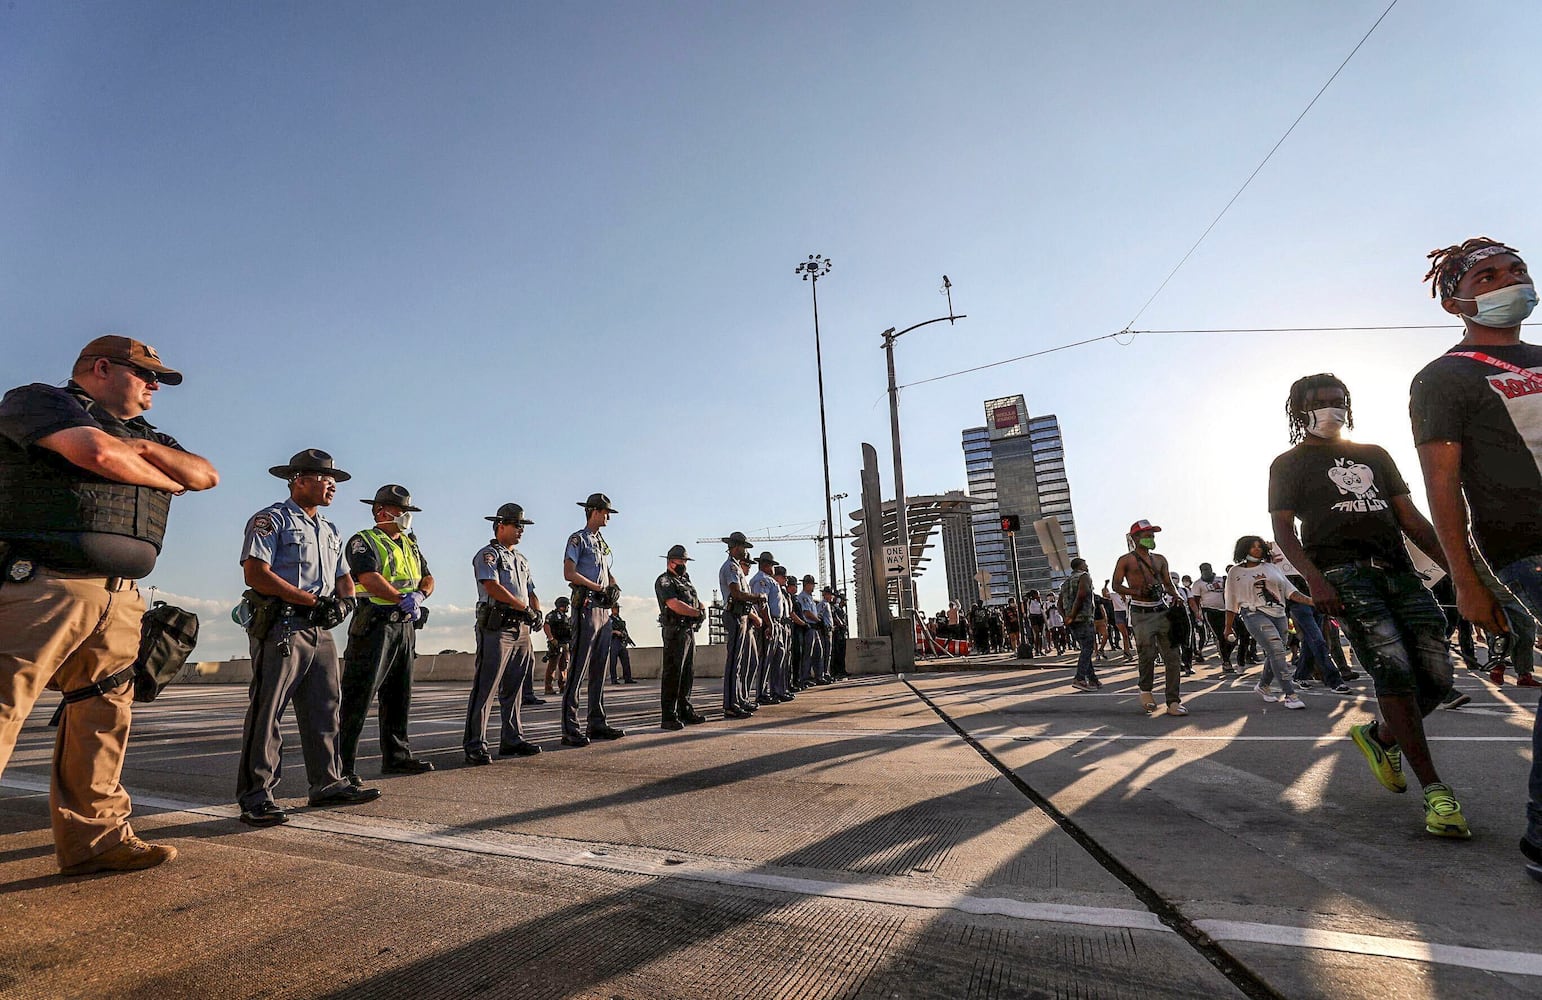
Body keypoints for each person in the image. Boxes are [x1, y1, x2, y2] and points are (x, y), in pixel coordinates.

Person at [0, 336, 217, 874]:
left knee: (102, 718)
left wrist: (139, 453)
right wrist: (147, 466)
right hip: (43, 586)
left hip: (119, 599)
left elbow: (204, 475)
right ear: (101, 368)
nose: (154, 387)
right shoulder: (40, 402)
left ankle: (94, 840)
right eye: (145, 376)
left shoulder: (147, 435)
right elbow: (93, 453)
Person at [1269, 372, 1468, 839]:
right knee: (1393, 672)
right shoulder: (1288, 463)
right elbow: (1283, 531)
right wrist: (1314, 580)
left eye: (1338, 400)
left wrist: (1461, 571)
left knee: (1437, 679)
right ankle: (1436, 791)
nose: (1331, 408)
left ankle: (1380, 737)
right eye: (1319, 402)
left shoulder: (1373, 455)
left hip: (1399, 572)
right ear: (1299, 410)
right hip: (1343, 576)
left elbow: (1411, 519)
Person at [1410, 238, 1542, 865]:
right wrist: (1464, 579)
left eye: (1515, 270)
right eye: (1486, 276)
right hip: (1527, 543)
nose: (1506, 282)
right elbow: (1442, 488)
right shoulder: (1445, 377)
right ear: (1454, 301)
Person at [237, 450, 380, 827]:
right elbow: (256, 573)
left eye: (333, 479)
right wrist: (312, 601)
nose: (331, 484)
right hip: (284, 625)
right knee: (268, 712)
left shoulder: (330, 530)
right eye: (323, 477)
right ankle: (257, 794)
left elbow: (343, 577)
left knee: (325, 709)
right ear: (298, 479)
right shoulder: (272, 520)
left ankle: (327, 783)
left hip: (321, 629)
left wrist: (344, 605)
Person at [339, 484, 436, 784]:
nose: (406, 516)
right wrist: (399, 598)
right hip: (375, 623)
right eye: (401, 511)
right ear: (381, 511)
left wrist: (419, 596)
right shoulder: (363, 541)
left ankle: (397, 756)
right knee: (358, 697)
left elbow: (428, 576)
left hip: (405, 624)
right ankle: (342, 767)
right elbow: (368, 577)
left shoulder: (410, 543)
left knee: (398, 695)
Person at [464, 503, 543, 765]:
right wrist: (524, 608)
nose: (521, 530)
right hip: (497, 627)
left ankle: (512, 739)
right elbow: (492, 586)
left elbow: (531, 590)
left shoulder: (521, 559)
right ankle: (475, 743)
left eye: (522, 526)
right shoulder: (488, 555)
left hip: (521, 628)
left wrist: (536, 610)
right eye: (516, 525)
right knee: (486, 687)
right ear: (500, 526)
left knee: (515, 687)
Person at [561, 493, 625, 746]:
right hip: (586, 605)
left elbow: (606, 572)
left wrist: (614, 586)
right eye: (606, 512)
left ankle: (597, 722)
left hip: (603, 609)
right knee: (578, 668)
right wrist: (599, 589)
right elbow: (569, 573)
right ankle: (570, 727)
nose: (609, 516)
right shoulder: (578, 539)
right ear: (595, 511)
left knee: (599, 668)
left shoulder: (600, 542)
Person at [1111, 520, 1187, 716]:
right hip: (1140, 613)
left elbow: (1168, 583)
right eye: (1146, 535)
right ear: (1135, 538)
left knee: (1173, 656)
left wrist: (1177, 597)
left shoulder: (1160, 559)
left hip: (1161, 610)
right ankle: (1145, 691)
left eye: (1152, 535)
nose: (1151, 538)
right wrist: (1136, 591)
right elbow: (1116, 585)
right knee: (1147, 654)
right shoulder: (1125, 560)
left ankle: (1173, 701)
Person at [1222, 537, 1307, 710]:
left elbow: (1291, 592)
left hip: (1279, 614)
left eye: (1259, 546)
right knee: (1276, 650)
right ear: (1243, 549)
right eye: (1253, 547)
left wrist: (1314, 601)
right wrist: (1228, 627)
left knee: (1274, 653)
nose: (1257, 549)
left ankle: (1263, 686)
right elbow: (1231, 601)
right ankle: (1290, 695)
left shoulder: (1271, 567)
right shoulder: (1236, 572)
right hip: (1253, 613)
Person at [655, 545, 708, 729]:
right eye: (681, 561)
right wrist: (695, 613)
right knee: (673, 673)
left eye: (685, 561)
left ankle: (685, 709)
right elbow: (673, 604)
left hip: (688, 631)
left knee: (687, 672)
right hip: (675, 630)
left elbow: (694, 598)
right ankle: (669, 715)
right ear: (671, 562)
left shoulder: (685, 580)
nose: (684, 564)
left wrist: (701, 608)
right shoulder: (665, 581)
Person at [717, 531, 765, 719]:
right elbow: (736, 593)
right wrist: (758, 597)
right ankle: (730, 704)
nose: (746, 552)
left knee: (740, 661)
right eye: (744, 547)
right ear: (736, 547)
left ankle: (738, 698)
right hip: (735, 614)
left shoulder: (736, 567)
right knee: (734, 663)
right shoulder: (730, 567)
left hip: (742, 615)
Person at [749, 552, 790, 704]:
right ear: (766, 565)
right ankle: (761, 693)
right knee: (766, 659)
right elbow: (762, 604)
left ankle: (777, 691)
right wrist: (768, 624)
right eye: (772, 565)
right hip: (768, 622)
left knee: (778, 656)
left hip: (776, 622)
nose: (773, 568)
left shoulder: (770, 580)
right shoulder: (761, 580)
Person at [1063, 559, 1100, 691]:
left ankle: (1093, 679)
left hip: (1072, 621)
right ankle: (1079, 678)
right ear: (1080, 566)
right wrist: (1073, 614)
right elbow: (1082, 594)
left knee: (1085, 648)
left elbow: (1059, 603)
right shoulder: (1084, 577)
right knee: (1088, 649)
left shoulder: (1066, 582)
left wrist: (1066, 617)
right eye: (1085, 564)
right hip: (1083, 617)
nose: (1087, 566)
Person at [1192, 563, 1235, 673]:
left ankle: (1226, 655)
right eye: (1204, 570)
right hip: (1210, 612)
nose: (1206, 571)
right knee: (1220, 637)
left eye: (1208, 569)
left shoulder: (1221, 580)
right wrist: (1198, 614)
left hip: (1225, 611)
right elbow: (1195, 600)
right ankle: (1226, 662)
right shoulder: (1198, 584)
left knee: (1234, 638)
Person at [795, 575, 826, 685]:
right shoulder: (802, 597)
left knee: (818, 652)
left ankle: (819, 676)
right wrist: (818, 620)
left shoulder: (810, 598)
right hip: (809, 627)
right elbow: (806, 613)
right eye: (812, 585)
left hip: (815, 628)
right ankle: (805, 677)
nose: (813, 587)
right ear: (806, 584)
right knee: (808, 654)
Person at [542, 598, 571, 694]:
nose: (568, 607)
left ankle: (563, 686)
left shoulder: (565, 617)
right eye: (567, 605)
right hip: (556, 643)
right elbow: (546, 625)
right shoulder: (552, 615)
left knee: (564, 665)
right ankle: (549, 687)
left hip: (565, 643)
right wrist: (551, 639)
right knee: (552, 665)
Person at [1103, 582, 1133, 661]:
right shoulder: (1114, 595)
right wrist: (1105, 585)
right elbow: (1105, 594)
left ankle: (1127, 652)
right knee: (1125, 634)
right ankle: (1127, 652)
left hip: (1126, 615)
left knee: (1127, 635)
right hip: (1118, 614)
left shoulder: (1127, 596)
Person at [607, 607, 637, 685]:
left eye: (617, 609)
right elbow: (606, 630)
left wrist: (628, 639)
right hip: (614, 641)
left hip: (621, 642)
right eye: (615, 609)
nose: (617, 610)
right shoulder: (609, 619)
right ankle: (614, 679)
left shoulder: (620, 619)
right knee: (613, 662)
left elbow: (624, 631)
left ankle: (628, 678)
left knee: (625, 661)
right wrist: (615, 632)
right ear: (612, 610)